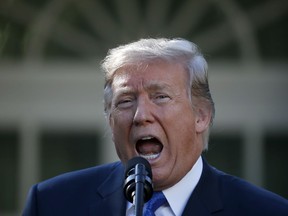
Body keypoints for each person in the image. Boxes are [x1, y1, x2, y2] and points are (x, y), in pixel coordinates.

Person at [22, 38, 288, 216]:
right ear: (110, 119)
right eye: (125, 101)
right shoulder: (51, 204)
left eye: (160, 97)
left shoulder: (266, 211)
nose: (140, 116)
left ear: (201, 116)